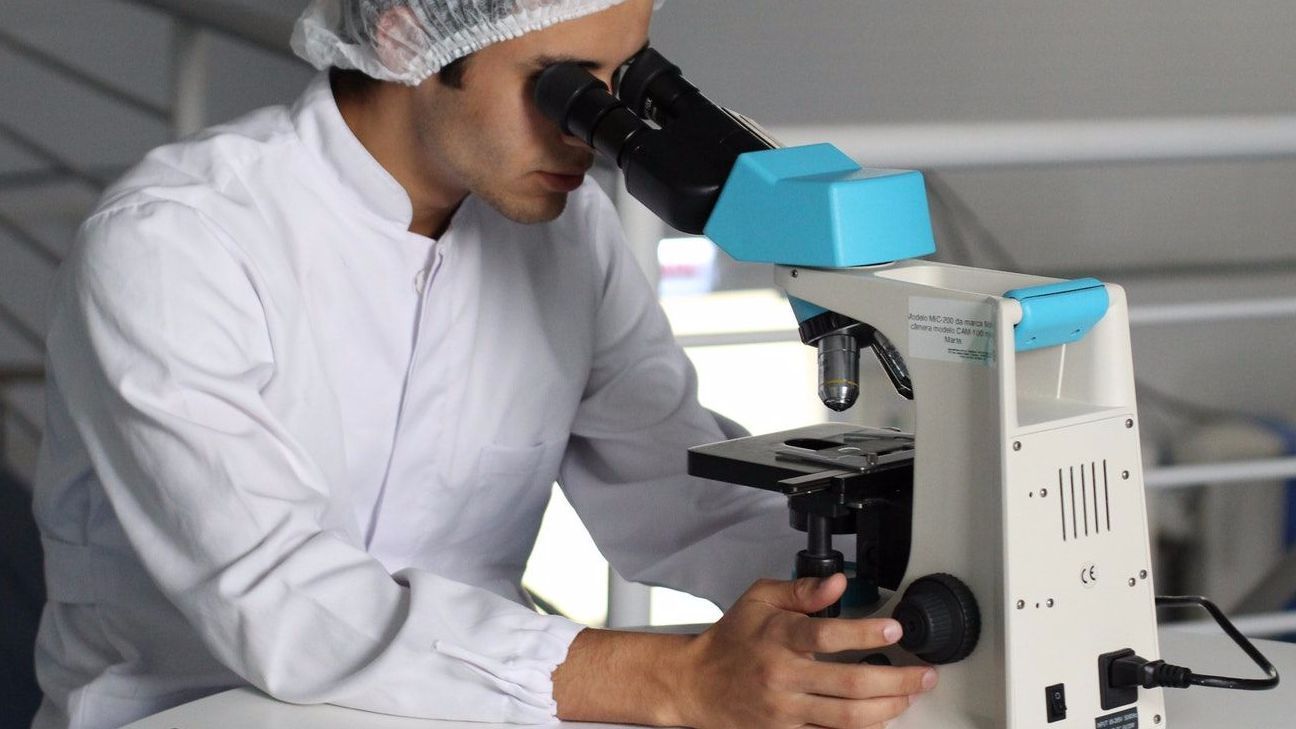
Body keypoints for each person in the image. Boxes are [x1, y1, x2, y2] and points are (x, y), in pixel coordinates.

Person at [29, 2, 936, 728]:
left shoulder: (568, 238)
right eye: (565, 90)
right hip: (200, 708)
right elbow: (281, 602)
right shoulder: (178, 242)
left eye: (623, 83)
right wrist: (678, 678)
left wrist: (883, 584)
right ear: (407, 32)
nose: (592, 134)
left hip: (472, 700)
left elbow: (680, 496)